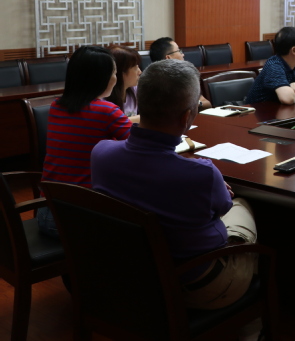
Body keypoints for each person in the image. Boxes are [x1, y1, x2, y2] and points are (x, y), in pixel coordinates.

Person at [91, 60, 263, 329]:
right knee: (242, 205)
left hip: (130, 277)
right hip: (199, 285)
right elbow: (223, 208)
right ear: (187, 116)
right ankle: (252, 329)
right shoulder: (202, 174)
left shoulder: (100, 153)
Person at [38, 45, 132, 237]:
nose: (116, 78)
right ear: (100, 77)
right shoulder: (107, 111)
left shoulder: (56, 106)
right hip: (80, 218)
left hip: (46, 213)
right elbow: (143, 145)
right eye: (114, 72)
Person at [245, 26, 295, 104]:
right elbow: (287, 98)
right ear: (294, 50)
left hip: (279, 109)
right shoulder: (273, 66)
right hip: (258, 110)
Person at [150, 36, 212, 110]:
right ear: (168, 58)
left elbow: (208, 104)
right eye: (179, 51)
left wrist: (195, 103)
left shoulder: (186, 77)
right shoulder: (154, 84)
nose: (183, 54)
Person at [106, 45, 141, 123]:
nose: (140, 72)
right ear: (121, 72)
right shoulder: (103, 97)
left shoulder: (135, 90)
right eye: (135, 68)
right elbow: (112, 123)